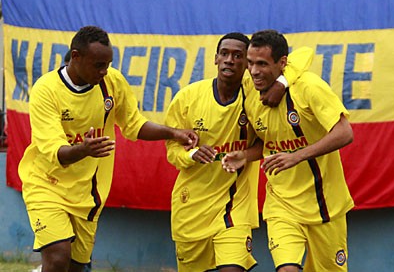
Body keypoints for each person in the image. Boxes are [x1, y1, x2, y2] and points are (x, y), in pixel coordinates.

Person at [18, 25, 198, 272]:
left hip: (88, 194)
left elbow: (133, 124)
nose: (104, 71)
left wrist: (173, 132)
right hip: (46, 184)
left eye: (108, 64)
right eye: (98, 65)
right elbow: (56, 151)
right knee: (58, 257)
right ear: (76, 56)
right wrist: (83, 149)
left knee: (75, 267)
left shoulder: (111, 82)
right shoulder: (46, 90)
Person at [164, 32, 313, 272]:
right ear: (215, 59)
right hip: (192, 208)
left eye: (238, 56)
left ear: (248, 62)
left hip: (235, 208)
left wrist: (281, 83)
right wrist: (191, 155)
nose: (229, 60)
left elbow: (304, 55)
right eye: (224, 54)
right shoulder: (188, 98)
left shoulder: (255, 96)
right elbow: (172, 151)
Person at [222, 29, 354, 272]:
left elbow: (345, 132)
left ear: (283, 63)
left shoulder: (309, 87)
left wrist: (297, 156)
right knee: (287, 269)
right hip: (281, 203)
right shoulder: (250, 92)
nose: (253, 71)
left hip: (324, 206)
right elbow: (269, 142)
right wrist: (246, 155)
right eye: (250, 63)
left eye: (262, 64)